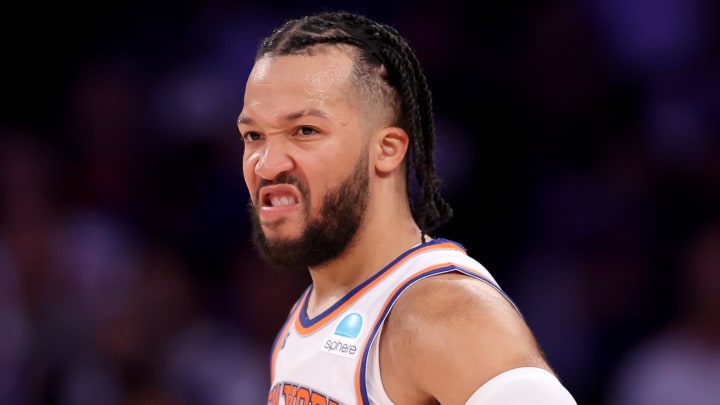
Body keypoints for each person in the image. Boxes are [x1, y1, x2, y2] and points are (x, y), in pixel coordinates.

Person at [237, 10, 577, 404]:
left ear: (387, 149)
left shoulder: (441, 314)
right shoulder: (310, 311)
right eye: (253, 135)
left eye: (305, 131)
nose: (266, 162)